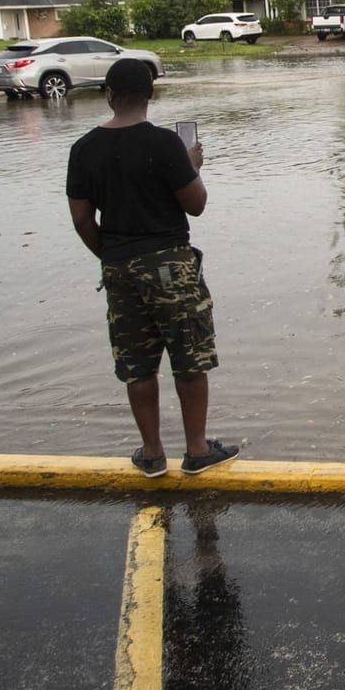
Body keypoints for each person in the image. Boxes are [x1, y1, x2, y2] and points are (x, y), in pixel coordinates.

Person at [66, 58, 239, 477]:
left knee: (137, 364)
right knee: (189, 358)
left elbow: (81, 220)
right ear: (150, 95)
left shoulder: (83, 149)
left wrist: (111, 256)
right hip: (171, 265)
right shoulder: (165, 145)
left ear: (108, 95)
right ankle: (197, 450)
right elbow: (195, 205)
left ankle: (152, 453)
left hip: (119, 268)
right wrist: (191, 166)